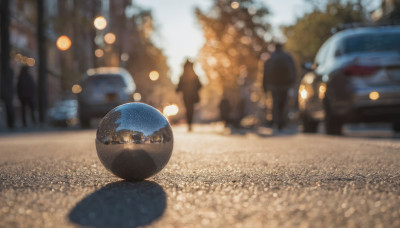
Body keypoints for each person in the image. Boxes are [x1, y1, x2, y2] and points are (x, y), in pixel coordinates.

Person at [263, 43, 296, 130]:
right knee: (283, 103)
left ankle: (276, 121)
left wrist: (264, 86)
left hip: (273, 85)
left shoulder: (270, 57)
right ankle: (282, 121)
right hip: (285, 84)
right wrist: (292, 82)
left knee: (275, 103)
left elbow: (265, 73)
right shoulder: (287, 57)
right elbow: (293, 70)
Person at [176, 59, 202, 131]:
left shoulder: (184, 76)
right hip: (191, 96)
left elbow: (179, 87)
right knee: (190, 110)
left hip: (187, 96)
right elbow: (200, 85)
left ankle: (189, 124)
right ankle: (190, 123)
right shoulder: (193, 75)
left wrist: (179, 89)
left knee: (188, 110)